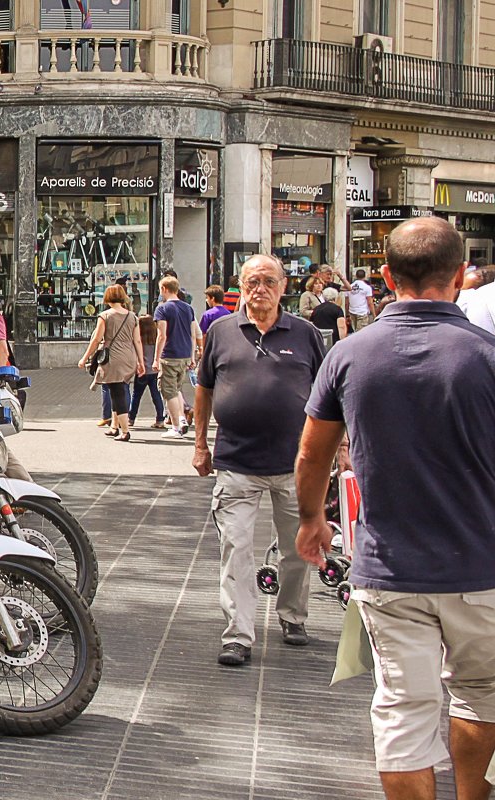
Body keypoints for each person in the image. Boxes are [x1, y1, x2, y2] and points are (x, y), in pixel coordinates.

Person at [296, 216, 495, 800]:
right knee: (481, 697)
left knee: (404, 711)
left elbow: (312, 452)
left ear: (386, 276)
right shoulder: (487, 355)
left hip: (390, 569)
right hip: (480, 567)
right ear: (460, 276)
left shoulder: (351, 355)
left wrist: (312, 519)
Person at [192, 253, 325, 667]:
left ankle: (292, 616)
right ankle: (238, 635)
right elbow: (204, 389)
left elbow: (327, 398)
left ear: (284, 286)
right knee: (237, 549)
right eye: (251, 281)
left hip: (295, 466)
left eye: (268, 281)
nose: (259, 289)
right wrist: (200, 444)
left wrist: (337, 451)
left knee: (296, 548)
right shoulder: (220, 331)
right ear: (240, 287)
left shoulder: (305, 334)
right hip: (236, 464)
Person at [79, 284, 143, 442]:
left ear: (107, 297)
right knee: (119, 389)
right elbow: (138, 341)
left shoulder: (105, 316)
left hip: (113, 357)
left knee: (117, 393)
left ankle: (125, 431)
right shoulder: (132, 316)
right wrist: (140, 361)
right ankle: (114, 426)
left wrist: (85, 357)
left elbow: (96, 339)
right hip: (129, 357)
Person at [152, 275, 196, 439]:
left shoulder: (162, 309)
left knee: (168, 391)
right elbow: (192, 334)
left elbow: (161, 336)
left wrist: (156, 359)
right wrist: (192, 357)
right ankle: (182, 420)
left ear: (164, 289)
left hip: (169, 355)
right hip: (184, 354)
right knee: (176, 388)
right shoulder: (188, 308)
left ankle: (176, 426)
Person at [129, 315, 165, 429]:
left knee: (136, 396)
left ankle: (131, 418)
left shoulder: (138, 340)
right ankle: (160, 419)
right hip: (154, 371)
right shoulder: (156, 339)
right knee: (156, 395)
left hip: (142, 371)